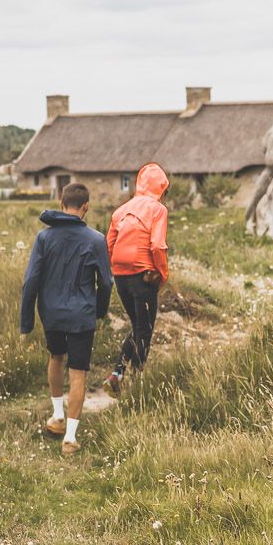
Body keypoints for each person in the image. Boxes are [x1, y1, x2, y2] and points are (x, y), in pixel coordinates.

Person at [20, 181, 113, 455]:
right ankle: (70, 438)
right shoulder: (96, 240)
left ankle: (57, 417)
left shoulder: (44, 238)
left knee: (56, 357)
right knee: (78, 373)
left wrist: (26, 321)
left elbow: (30, 281)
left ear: (62, 204)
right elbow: (106, 283)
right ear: (86, 207)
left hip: (52, 314)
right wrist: (100, 311)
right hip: (81, 315)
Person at [103, 162, 169, 397]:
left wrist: (115, 269)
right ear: (161, 188)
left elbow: (108, 244)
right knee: (145, 329)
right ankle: (137, 386)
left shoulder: (121, 210)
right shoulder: (158, 209)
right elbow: (158, 245)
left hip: (121, 275)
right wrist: (162, 274)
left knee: (137, 327)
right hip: (143, 275)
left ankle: (117, 374)